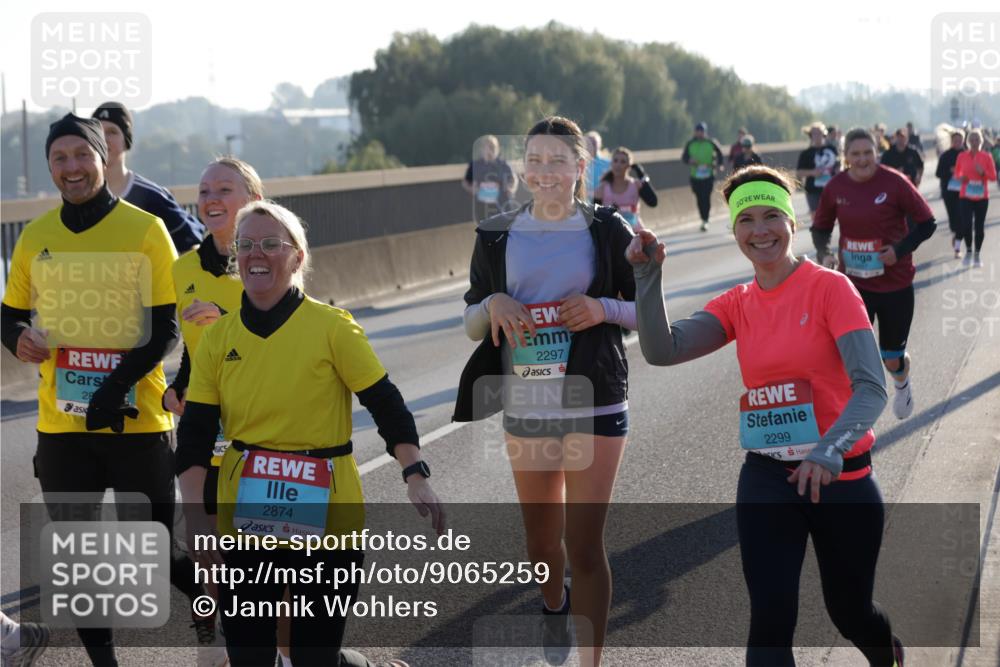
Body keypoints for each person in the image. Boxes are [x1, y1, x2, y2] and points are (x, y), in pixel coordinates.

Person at [628, 164, 902, 667]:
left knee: (850, 612)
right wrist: (648, 277)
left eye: (772, 216)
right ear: (734, 231)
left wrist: (829, 449)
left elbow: (870, 388)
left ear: (791, 223)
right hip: (768, 477)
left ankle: (890, 658)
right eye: (747, 220)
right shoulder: (737, 303)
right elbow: (663, 350)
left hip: (842, 477)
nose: (760, 231)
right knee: (771, 620)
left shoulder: (832, 289)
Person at [176, 200, 440, 666]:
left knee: (314, 656)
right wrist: (197, 519)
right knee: (249, 656)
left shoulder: (333, 327)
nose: (257, 254)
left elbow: (385, 403)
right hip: (246, 516)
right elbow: (195, 433)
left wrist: (414, 472)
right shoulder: (218, 338)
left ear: (297, 257)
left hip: (328, 515)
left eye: (271, 244)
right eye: (246, 245)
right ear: (236, 258)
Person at [0, 114, 204, 666]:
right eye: (59, 158)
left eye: (81, 156)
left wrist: (112, 390)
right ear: (49, 166)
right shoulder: (37, 236)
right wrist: (17, 338)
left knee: (158, 553)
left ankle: (224, 625)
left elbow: (165, 329)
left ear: (102, 158)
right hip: (64, 429)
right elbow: (9, 314)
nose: (71, 168)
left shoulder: (144, 229)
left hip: (137, 423)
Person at [454, 115, 636, 667]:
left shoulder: (611, 230)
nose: (545, 170)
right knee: (541, 544)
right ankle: (553, 607)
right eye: (534, 160)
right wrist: (492, 307)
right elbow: (469, 318)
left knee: (583, 545)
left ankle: (591, 661)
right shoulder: (497, 233)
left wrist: (600, 308)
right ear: (522, 169)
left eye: (558, 160)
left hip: (595, 395)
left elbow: (647, 318)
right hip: (529, 396)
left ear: (582, 168)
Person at [811, 127, 937, 421]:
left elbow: (927, 223)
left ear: (876, 153)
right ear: (845, 157)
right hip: (853, 287)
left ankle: (902, 381)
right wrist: (825, 253)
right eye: (855, 154)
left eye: (868, 152)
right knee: (849, 358)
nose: (862, 159)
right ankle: (854, 421)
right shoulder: (836, 187)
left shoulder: (895, 182)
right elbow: (820, 229)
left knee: (891, 358)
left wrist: (899, 249)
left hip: (895, 285)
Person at [92, 102, 204, 253]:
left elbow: (192, 245)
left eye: (112, 132)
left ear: (126, 140)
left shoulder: (153, 197)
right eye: (98, 131)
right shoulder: (82, 198)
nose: (104, 139)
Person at [954, 128, 998, 268]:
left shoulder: (987, 157)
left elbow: (993, 177)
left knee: (979, 227)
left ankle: (977, 255)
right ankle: (968, 251)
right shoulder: (962, 156)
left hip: (981, 197)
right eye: (971, 140)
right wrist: (962, 177)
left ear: (981, 141)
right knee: (966, 225)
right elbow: (957, 174)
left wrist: (983, 172)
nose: (974, 142)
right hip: (965, 195)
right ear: (967, 142)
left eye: (977, 140)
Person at [594, 146, 658, 231]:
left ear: (629, 165)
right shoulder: (602, 188)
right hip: (612, 234)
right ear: (611, 163)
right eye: (615, 161)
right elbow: (595, 217)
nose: (618, 165)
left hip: (635, 233)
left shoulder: (636, 185)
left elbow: (653, 202)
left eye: (623, 162)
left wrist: (641, 174)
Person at [463, 134, 517, 221]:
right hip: (483, 207)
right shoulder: (475, 165)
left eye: (493, 147)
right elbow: (465, 182)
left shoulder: (503, 164)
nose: (490, 150)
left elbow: (513, 179)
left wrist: (511, 188)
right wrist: (473, 190)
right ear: (482, 149)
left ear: (497, 149)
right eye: (487, 147)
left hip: (502, 206)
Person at [682, 121, 725, 231]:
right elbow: (684, 157)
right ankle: (703, 218)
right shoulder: (690, 143)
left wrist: (719, 165)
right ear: (695, 132)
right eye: (698, 131)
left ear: (705, 132)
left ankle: (705, 219)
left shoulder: (711, 142)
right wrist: (689, 160)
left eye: (701, 131)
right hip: (695, 176)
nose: (699, 133)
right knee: (699, 197)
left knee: (706, 197)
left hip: (708, 174)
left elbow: (720, 153)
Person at [796, 122, 841, 219]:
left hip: (830, 188)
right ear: (810, 136)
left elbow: (839, 164)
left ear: (824, 134)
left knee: (831, 215)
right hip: (813, 190)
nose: (817, 136)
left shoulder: (832, 149)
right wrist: (812, 172)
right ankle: (817, 233)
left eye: (819, 133)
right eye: (814, 134)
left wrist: (837, 170)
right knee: (816, 216)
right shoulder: (806, 153)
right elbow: (799, 173)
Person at [935, 131, 966, 258]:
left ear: (963, 141)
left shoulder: (967, 154)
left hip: (965, 191)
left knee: (963, 219)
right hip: (949, 192)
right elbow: (938, 173)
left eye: (960, 140)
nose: (957, 143)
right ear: (951, 141)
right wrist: (950, 171)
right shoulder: (945, 156)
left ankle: (957, 247)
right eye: (955, 140)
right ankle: (956, 234)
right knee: (954, 219)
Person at [584, 131, 612, 202]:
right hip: (585, 204)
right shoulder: (580, 164)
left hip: (604, 204)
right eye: (589, 143)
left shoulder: (609, 164)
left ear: (599, 144)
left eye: (594, 143)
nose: (592, 145)